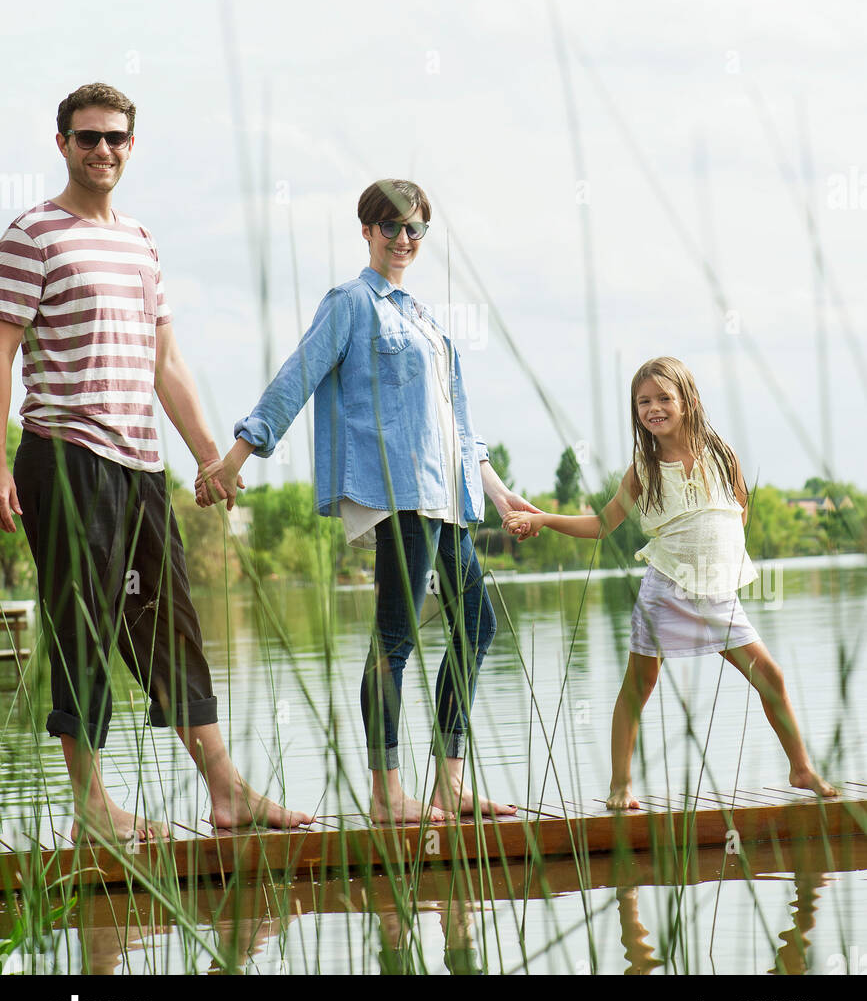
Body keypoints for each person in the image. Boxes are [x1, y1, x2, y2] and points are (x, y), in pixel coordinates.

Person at [0, 82, 312, 844]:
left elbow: (166, 359)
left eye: (114, 137)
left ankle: (227, 791)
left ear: (131, 146)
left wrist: (210, 456)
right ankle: (91, 806)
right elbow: (1, 353)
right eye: (86, 137)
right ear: (62, 144)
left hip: (141, 466)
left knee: (168, 623)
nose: (101, 150)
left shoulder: (140, 241)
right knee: (83, 623)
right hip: (65, 457)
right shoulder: (30, 235)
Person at [197, 179, 532, 825]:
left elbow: (458, 421)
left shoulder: (426, 320)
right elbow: (297, 375)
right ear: (367, 231)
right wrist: (239, 454)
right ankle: (386, 794)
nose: (403, 240)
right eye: (391, 228)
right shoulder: (351, 303)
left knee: (478, 625)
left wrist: (495, 489)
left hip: (448, 499)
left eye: (415, 230)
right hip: (396, 495)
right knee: (394, 642)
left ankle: (449, 784)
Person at [504, 356, 837, 810]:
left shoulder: (721, 454)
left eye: (664, 398)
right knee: (637, 687)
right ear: (636, 410)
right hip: (666, 593)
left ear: (688, 401)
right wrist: (542, 517)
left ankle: (800, 769)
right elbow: (601, 525)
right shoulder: (645, 468)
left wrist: (725, 560)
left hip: (717, 596)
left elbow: (737, 509)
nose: (653, 408)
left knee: (770, 677)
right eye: (644, 401)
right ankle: (620, 784)